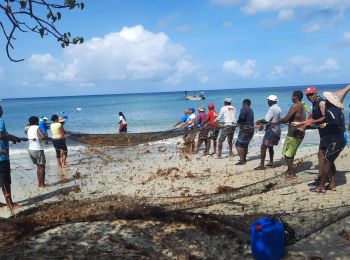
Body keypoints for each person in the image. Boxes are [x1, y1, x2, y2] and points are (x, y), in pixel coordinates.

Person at [310, 86, 350, 192]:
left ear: (330, 102)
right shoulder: (338, 111)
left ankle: (322, 186)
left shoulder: (331, 110)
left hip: (335, 140)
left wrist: (325, 124)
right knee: (330, 161)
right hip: (338, 139)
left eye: (327, 100)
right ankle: (332, 184)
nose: (325, 101)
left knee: (327, 161)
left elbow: (335, 123)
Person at [297, 86, 326, 186]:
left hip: (328, 133)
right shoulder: (314, 103)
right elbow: (312, 118)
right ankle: (324, 178)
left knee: (322, 155)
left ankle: (321, 179)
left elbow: (325, 117)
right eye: (308, 95)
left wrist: (310, 123)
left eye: (311, 94)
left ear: (316, 93)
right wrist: (302, 125)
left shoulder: (321, 102)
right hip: (322, 133)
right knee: (324, 156)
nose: (309, 97)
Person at [274, 90, 306, 179]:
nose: (291, 98)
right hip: (300, 132)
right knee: (289, 152)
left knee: (287, 153)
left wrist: (277, 121)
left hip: (294, 133)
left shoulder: (295, 105)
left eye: (292, 96)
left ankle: (291, 173)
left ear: (295, 97)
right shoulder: (303, 105)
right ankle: (289, 170)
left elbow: (286, 118)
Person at [0, 105, 25, 210]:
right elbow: (1, 135)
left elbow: (5, 135)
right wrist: (12, 138)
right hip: (2, 158)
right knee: (5, 182)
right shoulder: (0, 120)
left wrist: (15, 138)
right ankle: (10, 205)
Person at [255, 95, 282, 170]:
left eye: (268, 100)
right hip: (277, 130)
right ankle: (271, 162)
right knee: (270, 146)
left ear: (271, 101)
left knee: (263, 147)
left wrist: (258, 121)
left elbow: (266, 120)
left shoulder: (272, 108)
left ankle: (262, 165)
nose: (268, 102)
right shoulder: (279, 108)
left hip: (271, 130)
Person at [26, 116, 49, 188]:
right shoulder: (36, 127)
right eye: (38, 121)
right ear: (36, 121)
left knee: (38, 167)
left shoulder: (28, 128)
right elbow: (42, 137)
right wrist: (46, 137)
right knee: (42, 167)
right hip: (37, 149)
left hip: (31, 149)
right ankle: (42, 184)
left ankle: (39, 184)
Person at [235, 99, 254, 165]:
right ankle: (244, 159)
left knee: (238, 145)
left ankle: (242, 161)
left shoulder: (244, 108)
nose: (242, 105)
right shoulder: (251, 110)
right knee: (245, 145)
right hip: (251, 129)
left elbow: (242, 117)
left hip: (245, 129)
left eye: (242, 103)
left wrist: (238, 122)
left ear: (244, 103)